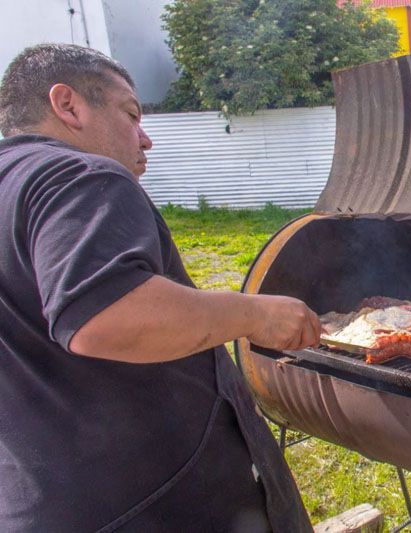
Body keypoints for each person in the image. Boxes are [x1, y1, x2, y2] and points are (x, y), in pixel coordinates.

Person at [0, 43, 320, 532]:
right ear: (67, 105)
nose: (145, 138)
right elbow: (104, 317)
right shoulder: (77, 173)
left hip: (42, 502)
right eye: (131, 114)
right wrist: (256, 314)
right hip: (160, 504)